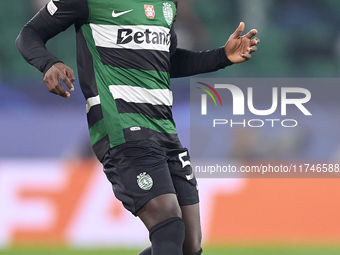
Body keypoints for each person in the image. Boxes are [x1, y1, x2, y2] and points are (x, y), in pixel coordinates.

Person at [16, 0, 259, 254]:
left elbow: (167, 60)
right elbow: (29, 35)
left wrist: (222, 56)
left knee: (190, 245)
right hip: (120, 126)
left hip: (164, 128)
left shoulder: (168, 4)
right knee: (168, 223)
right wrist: (48, 63)